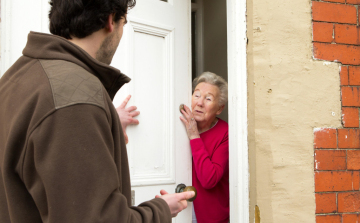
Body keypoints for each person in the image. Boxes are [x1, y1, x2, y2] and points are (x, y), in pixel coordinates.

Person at [0, 0, 195, 222]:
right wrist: (160, 209)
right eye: (124, 24)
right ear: (111, 20)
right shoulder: (76, 97)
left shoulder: (15, 78)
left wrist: (103, 126)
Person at [180, 72, 229, 223]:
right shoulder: (179, 125)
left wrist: (195, 136)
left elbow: (209, 179)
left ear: (219, 108)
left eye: (208, 98)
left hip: (210, 217)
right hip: (181, 209)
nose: (200, 103)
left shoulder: (225, 133)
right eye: (197, 95)